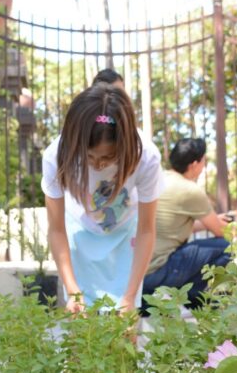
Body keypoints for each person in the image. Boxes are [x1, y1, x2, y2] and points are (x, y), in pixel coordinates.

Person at [41, 84, 163, 313]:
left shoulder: (146, 157)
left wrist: (130, 295)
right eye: (89, 156)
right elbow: (56, 229)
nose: (98, 165)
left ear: (124, 146)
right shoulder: (55, 156)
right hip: (79, 234)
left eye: (109, 157)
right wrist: (73, 290)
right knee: (81, 329)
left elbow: (147, 230)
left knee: (124, 328)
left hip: (127, 236)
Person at [142, 138, 237, 309]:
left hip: (142, 274)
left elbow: (171, 226)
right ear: (194, 164)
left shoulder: (160, 180)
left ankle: (188, 298)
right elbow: (221, 231)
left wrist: (207, 223)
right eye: (204, 162)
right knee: (225, 246)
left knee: (205, 248)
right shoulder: (189, 189)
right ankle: (197, 301)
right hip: (160, 272)